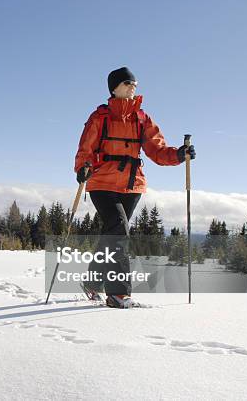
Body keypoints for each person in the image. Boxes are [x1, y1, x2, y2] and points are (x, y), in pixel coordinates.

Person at [74, 66, 196, 308]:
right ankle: (119, 293)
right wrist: (82, 168)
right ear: (114, 87)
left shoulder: (142, 118)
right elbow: (85, 148)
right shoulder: (100, 117)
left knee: (112, 234)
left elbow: (158, 151)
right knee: (118, 229)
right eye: (128, 83)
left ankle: (92, 282)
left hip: (132, 185)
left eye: (134, 84)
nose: (133, 87)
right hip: (101, 182)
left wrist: (179, 154)